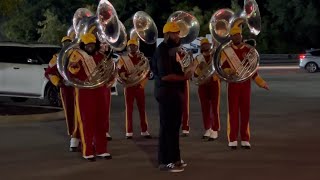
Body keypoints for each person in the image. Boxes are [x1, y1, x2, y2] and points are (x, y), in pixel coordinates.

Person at [220, 19, 269, 149]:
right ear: (230, 36)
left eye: (238, 35)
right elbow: (223, 68)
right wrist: (228, 71)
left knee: (245, 112)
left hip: (246, 85)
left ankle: (245, 139)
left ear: (241, 36)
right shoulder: (226, 51)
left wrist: (261, 83)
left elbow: (253, 71)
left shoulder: (249, 50)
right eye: (234, 35)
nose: (236, 37)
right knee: (233, 112)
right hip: (233, 85)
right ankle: (233, 139)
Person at [152, 22, 192, 172]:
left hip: (175, 94)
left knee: (174, 128)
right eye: (174, 33)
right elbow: (166, 76)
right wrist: (185, 77)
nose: (177, 35)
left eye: (178, 33)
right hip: (166, 93)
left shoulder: (173, 50)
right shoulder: (162, 50)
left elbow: (178, 70)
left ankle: (175, 158)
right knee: (167, 128)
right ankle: (165, 161)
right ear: (167, 34)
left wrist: (188, 69)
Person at [68, 33, 112, 161]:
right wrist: (74, 63)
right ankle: (87, 151)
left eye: (92, 44)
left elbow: (108, 72)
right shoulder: (78, 55)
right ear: (83, 45)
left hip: (100, 91)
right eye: (87, 44)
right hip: (84, 92)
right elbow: (72, 71)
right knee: (87, 121)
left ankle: (101, 150)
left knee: (101, 120)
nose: (90, 46)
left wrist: (111, 74)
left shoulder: (101, 56)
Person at [44, 36, 80, 152]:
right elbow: (49, 72)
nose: (67, 45)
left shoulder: (78, 54)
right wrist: (57, 82)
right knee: (70, 111)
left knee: (82, 111)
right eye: (65, 43)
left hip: (79, 87)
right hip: (66, 88)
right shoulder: (57, 57)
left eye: (69, 43)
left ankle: (82, 134)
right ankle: (73, 135)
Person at [117, 39, 151, 139]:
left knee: (142, 109)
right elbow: (120, 72)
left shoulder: (142, 58)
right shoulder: (123, 59)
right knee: (129, 109)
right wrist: (125, 78)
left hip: (140, 86)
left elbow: (147, 73)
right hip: (129, 87)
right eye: (131, 46)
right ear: (128, 47)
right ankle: (129, 131)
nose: (133, 47)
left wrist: (142, 84)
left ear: (137, 47)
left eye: (134, 46)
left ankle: (144, 130)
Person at [194, 38, 221, 141]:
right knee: (204, 108)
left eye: (206, 44)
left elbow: (220, 69)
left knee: (215, 107)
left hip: (214, 83)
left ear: (209, 46)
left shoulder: (215, 56)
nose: (205, 46)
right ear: (201, 47)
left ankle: (215, 129)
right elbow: (195, 74)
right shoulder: (198, 58)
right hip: (203, 85)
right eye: (203, 45)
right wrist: (199, 68)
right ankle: (207, 128)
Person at [99, 42, 113, 141]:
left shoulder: (108, 58)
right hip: (93, 88)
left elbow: (113, 71)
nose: (105, 47)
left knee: (105, 110)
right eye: (103, 45)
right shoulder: (90, 56)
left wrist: (112, 80)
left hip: (105, 87)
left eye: (106, 45)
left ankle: (105, 130)